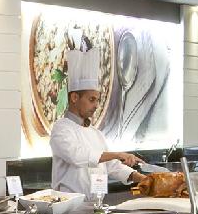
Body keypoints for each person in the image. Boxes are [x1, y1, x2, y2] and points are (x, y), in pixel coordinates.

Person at [50, 56, 144, 197]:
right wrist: (118, 154)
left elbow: (112, 166)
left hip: (96, 204)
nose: (96, 106)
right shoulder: (61, 128)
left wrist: (143, 178)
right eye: (92, 99)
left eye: (97, 100)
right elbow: (77, 156)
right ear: (74, 98)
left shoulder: (96, 133)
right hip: (68, 206)